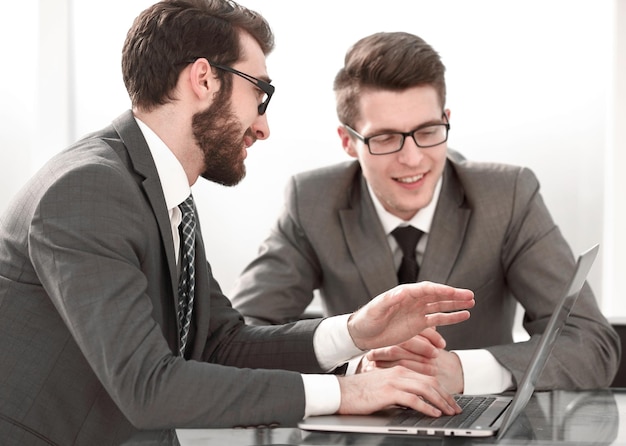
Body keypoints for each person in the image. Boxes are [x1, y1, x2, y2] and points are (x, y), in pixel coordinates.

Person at [0, 4, 477, 446]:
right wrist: (348, 394)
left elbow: (219, 345)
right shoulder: (89, 191)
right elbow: (148, 387)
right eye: (260, 93)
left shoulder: (159, 192)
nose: (263, 126)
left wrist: (356, 332)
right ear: (204, 80)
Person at [230, 31, 621, 395]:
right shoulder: (312, 200)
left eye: (429, 131)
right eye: (385, 138)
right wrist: (353, 372)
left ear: (447, 120)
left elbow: (592, 345)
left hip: (476, 420)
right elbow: (239, 338)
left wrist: (459, 371)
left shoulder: (509, 196)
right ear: (348, 142)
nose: (412, 158)